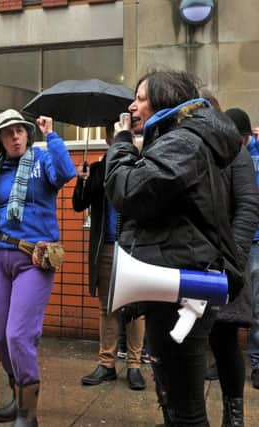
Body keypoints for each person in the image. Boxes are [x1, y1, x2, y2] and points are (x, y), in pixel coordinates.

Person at [104, 70, 242, 426]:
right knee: (173, 397)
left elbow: (130, 190)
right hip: (176, 278)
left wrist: (120, 145)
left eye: (140, 98)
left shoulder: (184, 141)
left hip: (182, 283)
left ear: (164, 99)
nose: (132, 106)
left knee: (186, 409)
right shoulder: (181, 139)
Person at [0, 109, 76, 426]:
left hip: (34, 259)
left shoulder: (41, 159)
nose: (16, 136)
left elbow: (66, 173)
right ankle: (16, 395)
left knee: (19, 335)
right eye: (9, 133)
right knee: (0, 338)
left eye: (20, 130)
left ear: (27, 133)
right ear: (0, 140)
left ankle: (28, 413)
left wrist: (52, 135)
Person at [72, 125, 146, 391]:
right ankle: (107, 363)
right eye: (118, 132)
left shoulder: (141, 163)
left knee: (135, 309)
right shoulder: (99, 168)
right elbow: (79, 204)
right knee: (107, 306)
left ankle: (135, 365)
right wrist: (81, 180)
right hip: (106, 245)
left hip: (134, 247)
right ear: (108, 137)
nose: (124, 137)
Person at [205, 106, 259, 426]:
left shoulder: (236, 155)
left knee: (225, 340)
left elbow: (249, 205)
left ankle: (233, 416)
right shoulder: (190, 152)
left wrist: (233, 259)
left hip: (227, 262)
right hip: (195, 261)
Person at [247, 121, 259, 391]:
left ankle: (257, 364)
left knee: (258, 307)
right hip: (239, 240)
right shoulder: (243, 151)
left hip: (256, 242)